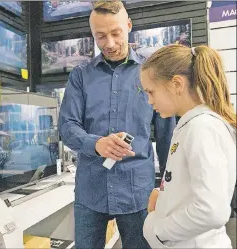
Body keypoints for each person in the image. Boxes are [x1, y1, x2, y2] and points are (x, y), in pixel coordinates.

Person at [58, 1, 176, 248]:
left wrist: (169, 188)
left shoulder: (150, 73)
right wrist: (96, 143)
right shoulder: (80, 76)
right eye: (100, 36)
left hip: (138, 193)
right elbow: (67, 128)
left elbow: (167, 136)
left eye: (115, 33)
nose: (109, 44)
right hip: (91, 190)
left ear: (129, 26)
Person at [142, 45, 236, 248]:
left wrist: (158, 231)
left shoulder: (201, 128)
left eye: (151, 92)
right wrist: (164, 200)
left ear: (177, 84)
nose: (149, 100)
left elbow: (211, 210)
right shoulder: (192, 125)